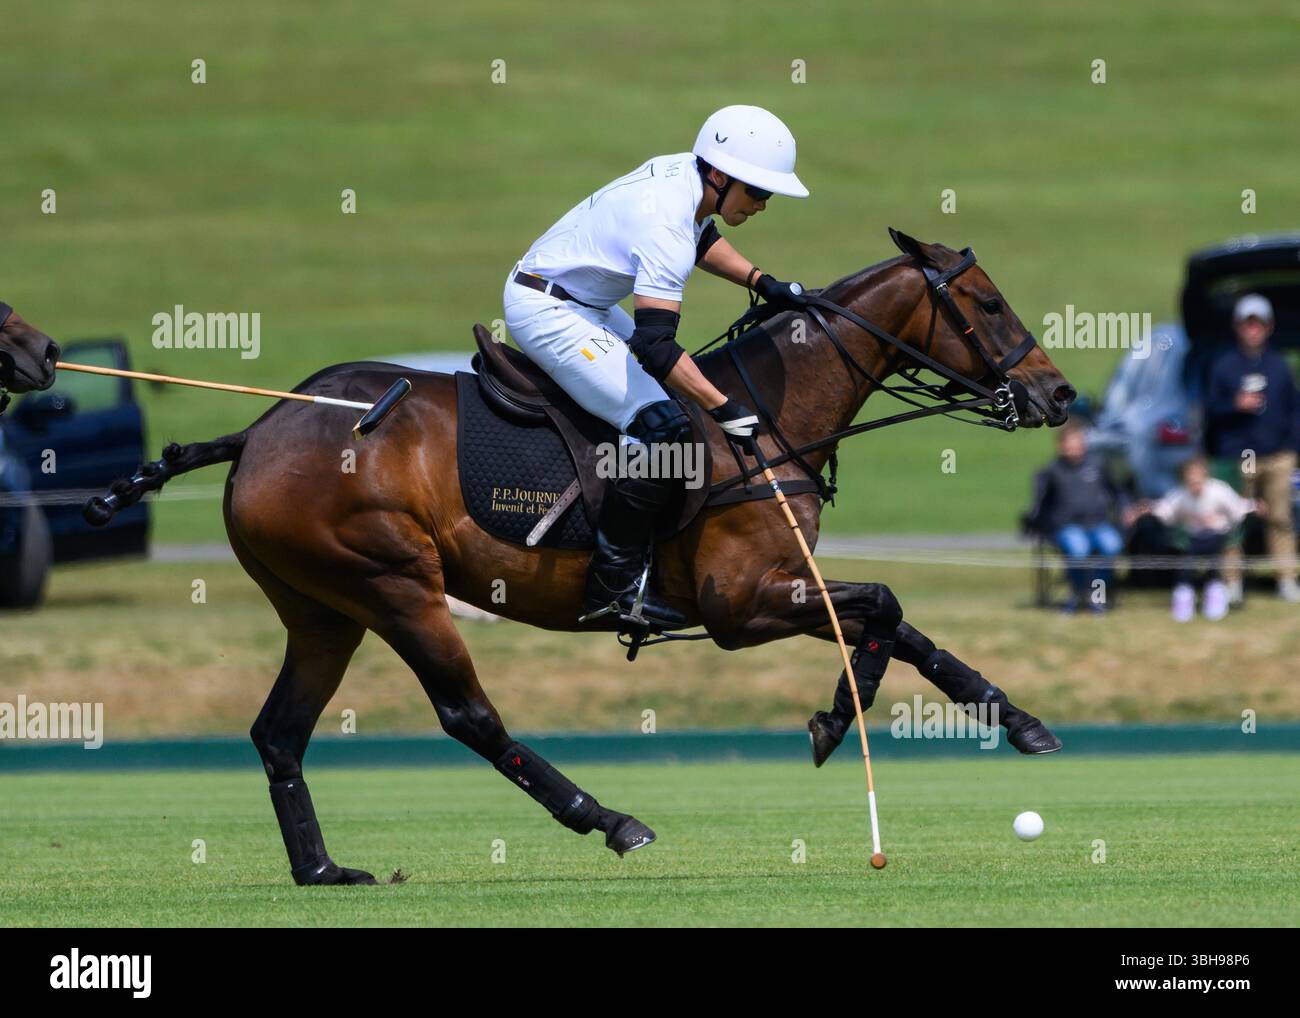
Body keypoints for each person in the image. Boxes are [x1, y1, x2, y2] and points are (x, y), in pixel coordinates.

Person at [502, 106, 811, 628]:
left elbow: (702, 236)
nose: (762, 205)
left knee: (677, 406)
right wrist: (726, 406)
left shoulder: (686, 175)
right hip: (548, 310)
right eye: (757, 192)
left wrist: (762, 282)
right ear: (719, 175)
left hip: (582, 298)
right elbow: (656, 348)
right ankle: (611, 589)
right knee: (663, 428)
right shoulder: (664, 219)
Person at [1205, 293, 1299, 603]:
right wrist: (1235, 405)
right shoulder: (1223, 366)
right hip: (1236, 456)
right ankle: (1232, 583)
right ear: (1237, 327)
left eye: (1259, 324)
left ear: (1269, 327)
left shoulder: (1280, 366)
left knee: (1280, 518)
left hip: (1276, 457)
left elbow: (1292, 410)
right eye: (1247, 323)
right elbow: (1209, 410)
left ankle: (1286, 579)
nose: (1253, 329)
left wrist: (1291, 450)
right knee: (1233, 521)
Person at [1126, 456, 1262, 621]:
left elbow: (1237, 506)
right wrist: (1144, 509)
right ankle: (1184, 600)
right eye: (1190, 479)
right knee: (1185, 567)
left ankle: (1215, 599)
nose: (1195, 483)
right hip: (1194, 539)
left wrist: (1255, 506)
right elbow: (1165, 510)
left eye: (1198, 478)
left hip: (1216, 537)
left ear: (1205, 476)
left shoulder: (1219, 490)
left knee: (1214, 565)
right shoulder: (1180, 494)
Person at [1025, 423, 1128, 612]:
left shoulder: (1098, 465)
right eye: (1069, 443)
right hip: (1067, 527)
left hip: (1098, 524)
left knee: (1111, 546)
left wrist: (1125, 511)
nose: (1073, 447)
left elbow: (1118, 492)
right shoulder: (1052, 471)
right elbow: (1039, 505)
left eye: (1077, 442)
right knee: (1079, 550)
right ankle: (1078, 593)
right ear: (1060, 446)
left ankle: (1098, 597)